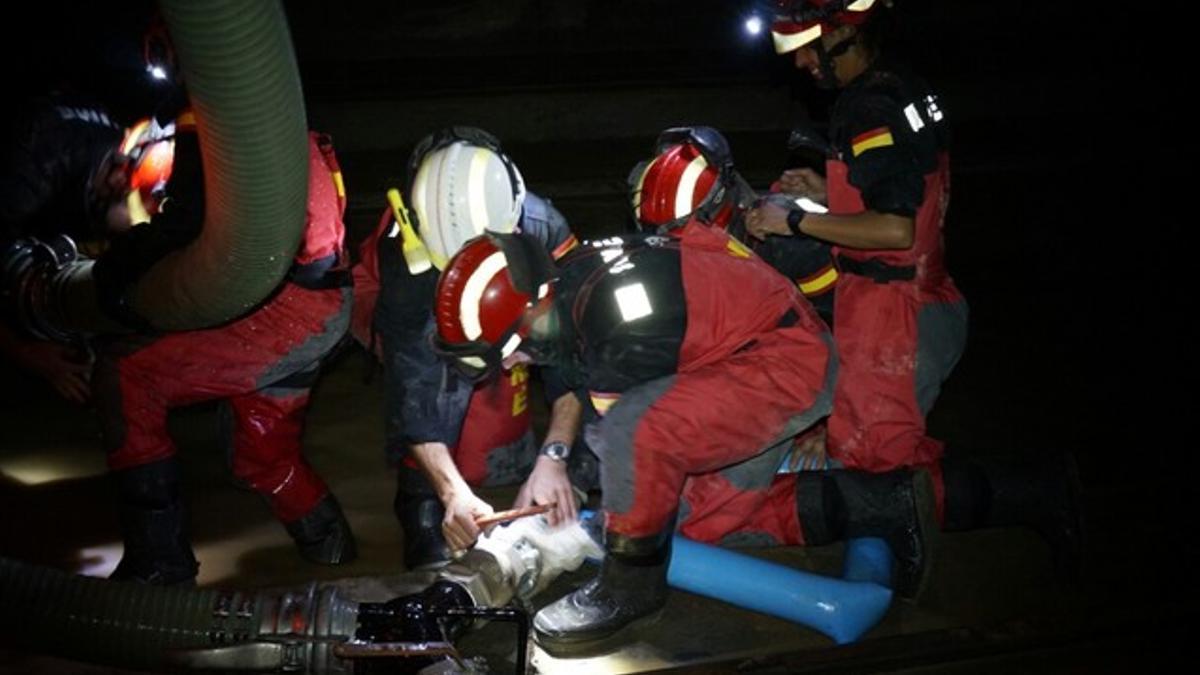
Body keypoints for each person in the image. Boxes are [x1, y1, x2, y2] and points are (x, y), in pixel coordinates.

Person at [432, 227, 940, 650]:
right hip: (747, 351)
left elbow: (621, 448)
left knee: (637, 431)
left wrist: (569, 497)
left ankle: (630, 592)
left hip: (781, 366)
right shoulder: (574, 281)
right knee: (699, 528)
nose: (515, 365)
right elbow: (573, 369)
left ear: (533, 309)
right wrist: (554, 462)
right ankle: (883, 504)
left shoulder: (619, 325)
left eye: (512, 352)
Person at [750, 0, 1081, 577]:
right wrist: (832, 190)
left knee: (880, 473)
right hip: (922, 298)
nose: (801, 62)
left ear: (842, 37)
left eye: (806, 48)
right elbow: (905, 191)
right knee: (878, 457)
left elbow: (894, 228)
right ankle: (1033, 489)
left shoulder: (867, 107)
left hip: (895, 315)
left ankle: (1031, 493)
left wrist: (794, 220)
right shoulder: (900, 84)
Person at [81, 40, 357, 582]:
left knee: (125, 377)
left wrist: (112, 275)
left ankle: (159, 568)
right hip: (321, 304)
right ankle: (336, 555)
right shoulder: (272, 106)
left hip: (284, 311)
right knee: (262, 457)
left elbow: (185, 228)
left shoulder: (213, 114)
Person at [355, 126, 594, 571]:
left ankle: (564, 475)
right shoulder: (407, 258)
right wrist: (451, 493)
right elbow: (414, 386)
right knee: (441, 375)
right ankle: (418, 496)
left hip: (497, 300)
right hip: (414, 299)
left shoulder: (543, 227)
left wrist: (554, 455)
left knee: (563, 340)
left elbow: (575, 352)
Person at [629, 125, 838, 323]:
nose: (683, 254)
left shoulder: (786, 241)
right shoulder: (653, 254)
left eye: (687, 241)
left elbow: (833, 319)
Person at [1, 90, 123, 403]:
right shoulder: (30, 170)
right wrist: (27, 354)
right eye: (124, 201)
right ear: (116, 175)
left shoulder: (115, 143)